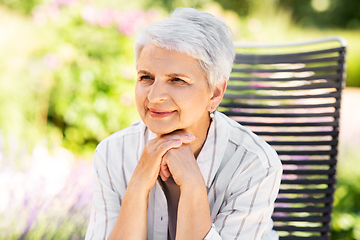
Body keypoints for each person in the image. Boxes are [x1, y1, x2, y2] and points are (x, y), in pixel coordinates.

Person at [85, 7, 282, 240]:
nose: (154, 96)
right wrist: (137, 186)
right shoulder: (112, 154)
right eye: (146, 77)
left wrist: (193, 185)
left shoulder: (253, 163)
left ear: (215, 93)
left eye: (177, 80)